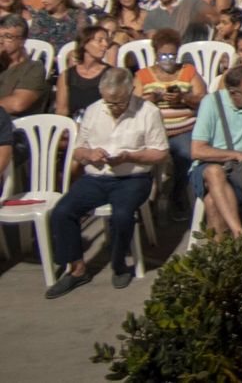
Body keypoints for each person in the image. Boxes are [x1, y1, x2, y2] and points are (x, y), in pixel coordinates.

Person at [45, 68, 170, 298]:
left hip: (133, 177)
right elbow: (78, 150)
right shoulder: (94, 110)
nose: (113, 107)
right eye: (109, 102)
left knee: (122, 215)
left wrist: (130, 156)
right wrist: (89, 155)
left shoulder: (148, 112)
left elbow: (160, 153)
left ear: (130, 91)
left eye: (119, 102)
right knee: (62, 212)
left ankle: (119, 263)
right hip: (97, 176)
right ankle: (76, 268)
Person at [189, 66, 242, 239]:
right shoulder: (211, 103)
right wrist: (235, 154)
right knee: (214, 171)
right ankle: (238, 232)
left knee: (212, 202)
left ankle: (221, 258)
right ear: (233, 93)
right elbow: (197, 151)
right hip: (210, 168)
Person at [134, 28, 206, 213]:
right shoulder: (143, 75)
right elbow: (133, 104)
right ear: (156, 54)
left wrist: (183, 98)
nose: (168, 60)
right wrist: (151, 100)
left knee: (187, 155)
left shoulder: (188, 71)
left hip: (183, 128)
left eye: (172, 56)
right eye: (163, 56)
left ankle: (177, 194)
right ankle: (144, 199)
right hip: (153, 131)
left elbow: (203, 98)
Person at [0, 17, 48, 116]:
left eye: (7, 36)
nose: (0, 41)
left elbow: (17, 104)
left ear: (22, 41)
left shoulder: (34, 68)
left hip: (14, 125)